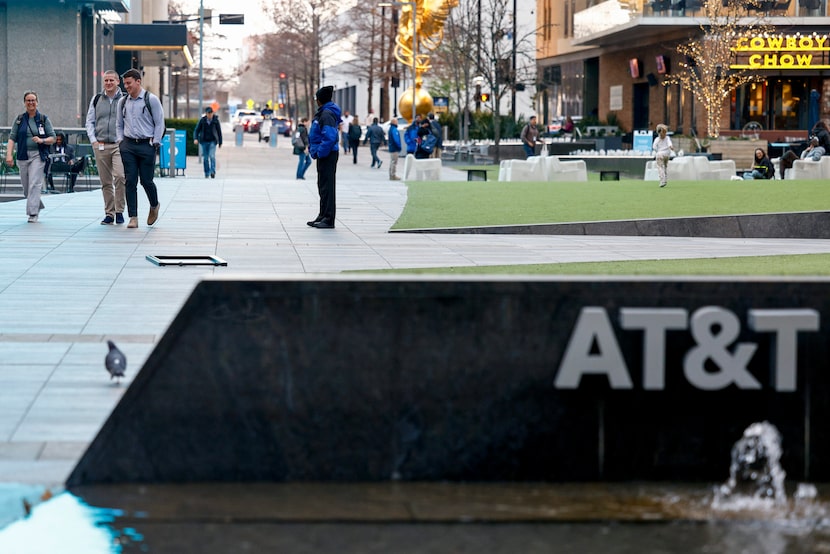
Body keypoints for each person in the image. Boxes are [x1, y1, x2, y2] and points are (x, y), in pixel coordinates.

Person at [116, 68, 164, 229]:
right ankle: (133, 217)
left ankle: (154, 205)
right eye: (125, 84)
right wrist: (120, 141)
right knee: (130, 181)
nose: (126, 87)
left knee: (146, 181)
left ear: (138, 81)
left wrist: (155, 142)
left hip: (146, 144)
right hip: (128, 145)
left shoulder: (151, 100)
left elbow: (159, 123)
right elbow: (119, 124)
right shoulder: (123, 102)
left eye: (129, 83)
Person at [5, 91, 56, 223]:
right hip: (22, 155)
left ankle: (32, 213)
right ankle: (37, 205)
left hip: (38, 156)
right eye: (28, 100)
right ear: (24, 103)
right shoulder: (19, 119)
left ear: (37, 102)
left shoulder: (43, 119)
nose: (31, 103)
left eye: (33, 100)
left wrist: (42, 140)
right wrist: (9, 155)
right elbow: (12, 138)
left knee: (34, 184)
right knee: (26, 187)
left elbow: (53, 138)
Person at [86, 70, 126, 224]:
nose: (108, 83)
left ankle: (120, 210)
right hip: (101, 144)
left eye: (111, 80)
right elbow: (90, 121)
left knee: (120, 176)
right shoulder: (96, 99)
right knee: (105, 181)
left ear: (118, 82)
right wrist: (93, 141)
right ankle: (109, 213)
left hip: (118, 145)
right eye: (106, 80)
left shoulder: (124, 99)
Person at [307, 86, 341, 229]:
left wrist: (320, 152)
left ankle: (328, 218)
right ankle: (322, 215)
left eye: (316, 98)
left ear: (320, 100)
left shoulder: (326, 114)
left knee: (327, 186)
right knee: (322, 185)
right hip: (324, 154)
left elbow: (330, 136)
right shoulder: (324, 112)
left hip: (327, 154)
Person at [193, 106, 223, 178]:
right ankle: (207, 172)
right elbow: (196, 130)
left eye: (211, 113)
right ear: (206, 114)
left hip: (213, 141)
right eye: (208, 113)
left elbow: (219, 132)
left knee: (212, 156)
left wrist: (220, 142)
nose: (210, 115)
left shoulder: (215, 121)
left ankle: (212, 171)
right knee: (206, 158)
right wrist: (195, 138)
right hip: (204, 141)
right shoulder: (202, 120)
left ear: (212, 113)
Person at [652, 123, 674, 188]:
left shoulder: (657, 139)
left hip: (660, 154)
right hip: (667, 154)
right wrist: (671, 147)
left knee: (660, 167)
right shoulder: (667, 138)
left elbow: (654, 147)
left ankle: (662, 180)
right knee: (665, 166)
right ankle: (665, 179)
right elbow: (670, 145)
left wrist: (657, 151)